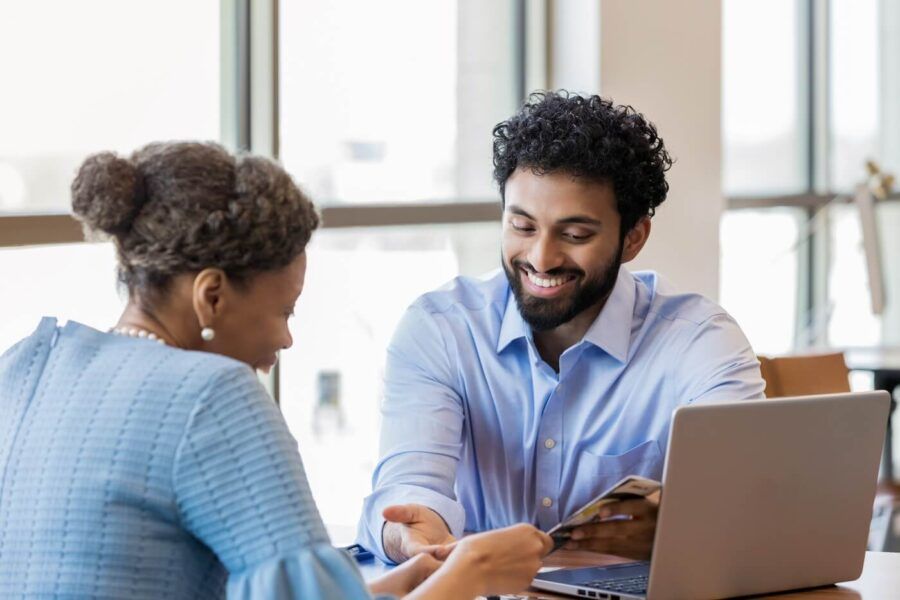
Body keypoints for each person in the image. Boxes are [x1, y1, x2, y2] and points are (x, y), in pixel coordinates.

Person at [0, 142, 551, 599]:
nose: (287, 339)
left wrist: (415, 580)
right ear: (211, 295)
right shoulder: (210, 396)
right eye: (284, 310)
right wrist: (474, 572)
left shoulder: (28, 365)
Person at [357, 91, 766, 564]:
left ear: (633, 237)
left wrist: (689, 523)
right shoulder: (441, 330)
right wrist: (409, 532)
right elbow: (411, 484)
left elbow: (739, 505)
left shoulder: (700, 340)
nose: (541, 258)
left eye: (575, 235)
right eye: (523, 226)